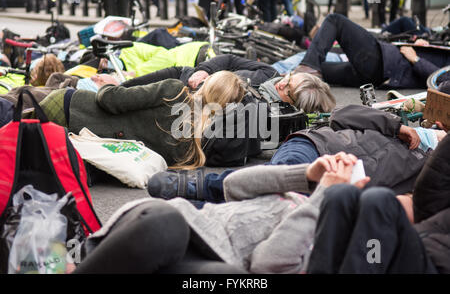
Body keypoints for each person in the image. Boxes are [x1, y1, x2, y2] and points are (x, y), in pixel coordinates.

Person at [73, 152, 370, 274]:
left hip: (207, 264)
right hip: (175, 228)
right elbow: (233, 184)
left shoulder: (321, 246)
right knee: (167, 225)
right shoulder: (298, 197)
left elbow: (266, 264)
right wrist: (307, 174)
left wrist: (324, 197)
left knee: (227, 276)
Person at [148, 104, 446, 204]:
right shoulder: (403, 131)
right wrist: (395, 125)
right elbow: (342, 113)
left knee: (279, 206)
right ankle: (200, 187)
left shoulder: (430, 180)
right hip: (316, 149)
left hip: (337, 191)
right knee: (281, 188)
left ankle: (200, 201)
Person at [34, 70, 247, 169]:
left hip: (71, 108)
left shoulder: (175, 91)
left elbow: (109, 100)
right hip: (82, 143)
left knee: (16, 103)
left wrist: (109, 83)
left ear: (207, 84)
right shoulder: (192, 152)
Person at [307, 132, 450, 274]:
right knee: (341, 194)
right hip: (419, 241)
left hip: (437, 260)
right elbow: (427, 202)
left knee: (380, 201)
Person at [119, 53, 337, 113]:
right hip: (183, 76)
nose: (282, 83)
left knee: (124, 105)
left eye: (288, 89)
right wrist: (204, 70)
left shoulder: (267, 114)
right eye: (289, 78)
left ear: (294, 104)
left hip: (182, 101)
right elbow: (229, 59)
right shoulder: (269, 73)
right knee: (121, 90)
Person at [294, 13, 450, 88]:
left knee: (335, 21)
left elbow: (443, 82)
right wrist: (425, 42)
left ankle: (307, 66)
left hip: (385, 64)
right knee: (319, 72)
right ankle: (286, 77)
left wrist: (416, 59)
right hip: (379, 73)